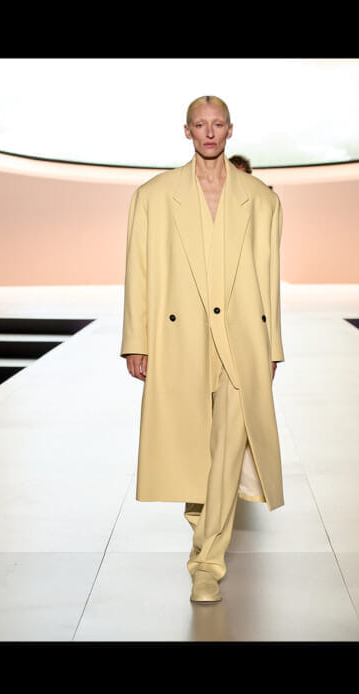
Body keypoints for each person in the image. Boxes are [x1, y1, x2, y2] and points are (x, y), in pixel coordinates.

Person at [120, 95, 285, 604]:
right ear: (186, 131)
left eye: (217, 124)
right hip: (181, 338)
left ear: (230, 130)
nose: (209, 133)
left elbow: (269, 278)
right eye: (200, 124)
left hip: (241, 340)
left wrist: (272, 347)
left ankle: (207, 563)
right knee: (195, 450)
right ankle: (203, 535)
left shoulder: (260, 200)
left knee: (230, 449)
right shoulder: (154, 196)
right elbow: (138, 271)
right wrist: (136, 341)